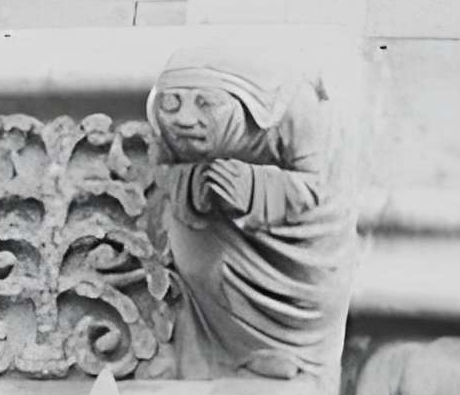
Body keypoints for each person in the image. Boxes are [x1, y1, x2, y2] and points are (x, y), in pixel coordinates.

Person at [148, 57, 354, 378]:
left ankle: (283, 348)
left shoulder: (295, 106)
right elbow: (156, 173)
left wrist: (254, 187)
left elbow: (320, 188)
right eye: (171, 104)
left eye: (206, 104)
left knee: (318, 292)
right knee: (188, 241)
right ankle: (204, 351)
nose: (185, 119)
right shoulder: (166, 130)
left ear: (244, 102)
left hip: (297, 245)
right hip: (213, 231)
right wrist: (195, 183)